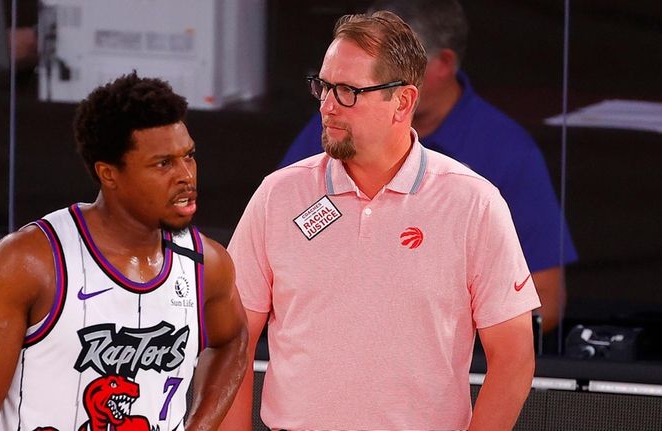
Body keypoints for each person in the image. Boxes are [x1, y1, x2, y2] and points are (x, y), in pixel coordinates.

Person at [222, 11, 540, 431]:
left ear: (403, 102)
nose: (328, 106)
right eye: (324, 87)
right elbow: (230, 341)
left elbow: (514, 354)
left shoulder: (473, 203)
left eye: (349, 91)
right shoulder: (277, 196)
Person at [0, 72, 248, 431]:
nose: (186, 175)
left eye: (189, 156)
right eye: (163, 163)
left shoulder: (207, 265)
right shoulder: (29, 262)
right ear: (109, 173)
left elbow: (232, 341)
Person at [279, 0, 577, 335]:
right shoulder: (337, 125)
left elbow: (543, 302)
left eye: (393, 65)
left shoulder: (507, 152)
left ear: (442, 63)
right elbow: (277, 250)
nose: (333, 104)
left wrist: (434, 340)